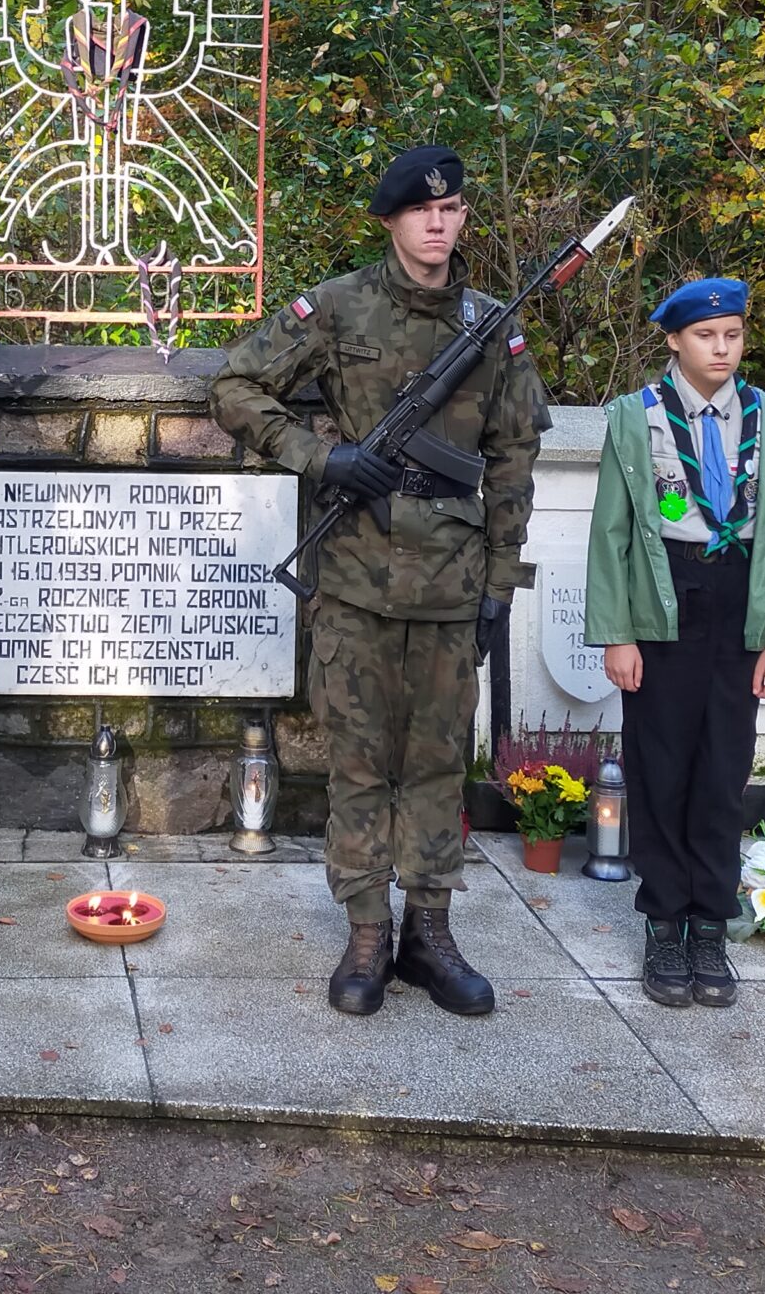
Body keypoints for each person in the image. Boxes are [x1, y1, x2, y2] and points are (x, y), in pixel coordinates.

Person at [211, 145, 546, 1017]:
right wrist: (324, 457)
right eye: (422, 212)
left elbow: (513, 460)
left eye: (454, 210)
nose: (440, 224)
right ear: (393, 220)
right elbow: (236, 386)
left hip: (450, 579)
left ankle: (429, 934)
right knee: (358, 761)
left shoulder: (494, 325)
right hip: (357, 573)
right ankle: (366, 933)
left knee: (437, 761)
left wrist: (501, 579)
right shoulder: (336, 306)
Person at [583, 277, 765, 1009]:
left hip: (739, 599)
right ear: (675, 341)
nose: (722, 348)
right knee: (662, 765)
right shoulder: (635, 417)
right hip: (666, 594)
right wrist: (618, 633)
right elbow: (611, 534)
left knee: (722, 771)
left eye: (734, 334)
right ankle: (663, 925)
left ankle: (709, 924)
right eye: (707, 336)